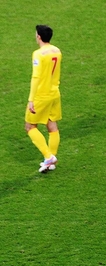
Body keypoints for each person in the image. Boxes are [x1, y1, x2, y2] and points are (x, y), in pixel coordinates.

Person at [25, 25, 62, 173]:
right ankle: (51, 161)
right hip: (54, 93)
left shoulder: (38, 54)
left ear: (39, 36)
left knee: (30, 127)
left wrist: (31, 99)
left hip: (41, 95)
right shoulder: (57, 51)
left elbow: (36, 77)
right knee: (52, 127)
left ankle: (48, 156)